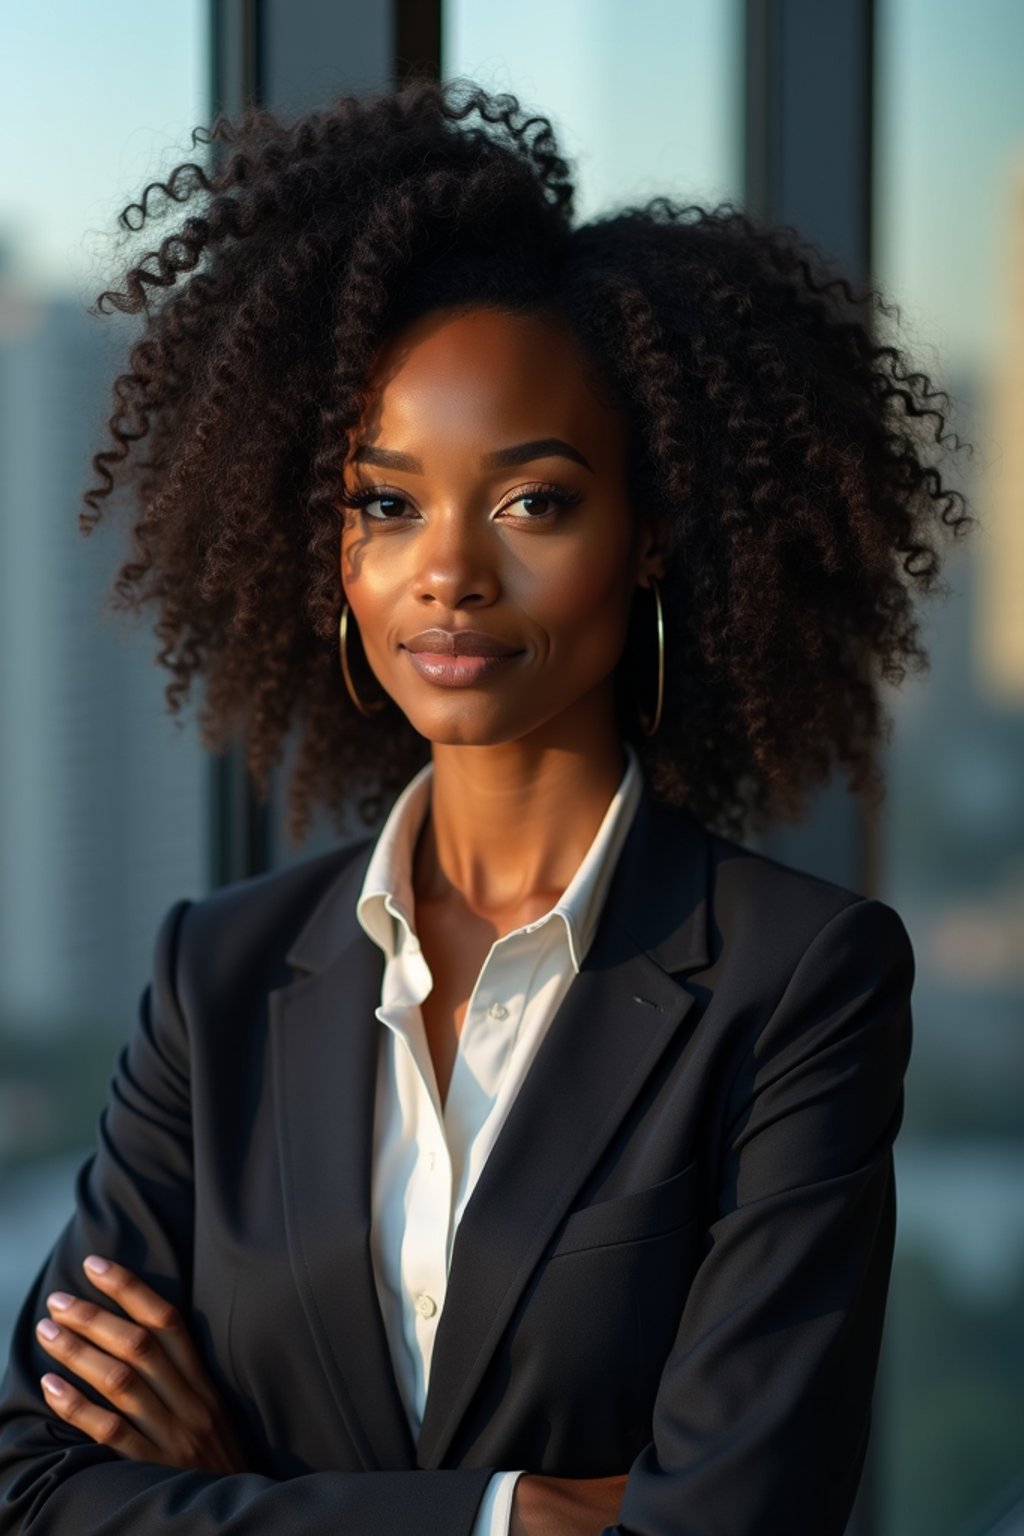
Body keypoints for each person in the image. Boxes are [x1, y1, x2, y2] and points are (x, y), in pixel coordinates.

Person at [0, 76, 973, 1536]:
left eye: (533, 503)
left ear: (651, 538)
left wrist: (235, 1497)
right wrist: (509, 1516)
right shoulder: (216, 974)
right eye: (388, 504)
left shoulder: (798, 982)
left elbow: (732, 1523)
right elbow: (38, 1481)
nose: (445, 572)